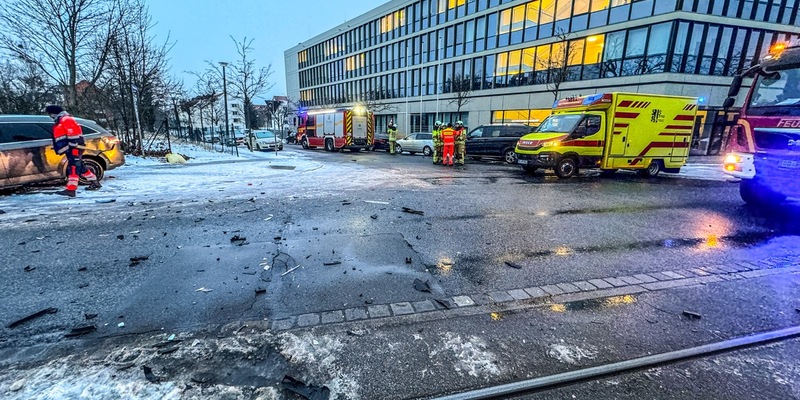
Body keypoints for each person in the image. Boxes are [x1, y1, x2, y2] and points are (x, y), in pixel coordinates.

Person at [46, 105, 101, 197]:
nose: (49, 116)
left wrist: (72, 146)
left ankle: (71, 190)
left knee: (73, 168)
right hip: (72, 148)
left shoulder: (65, 120)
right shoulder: (62, 120)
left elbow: (73, 134)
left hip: (74, 148)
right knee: (79, 167)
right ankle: (95, 182)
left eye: (49, 113)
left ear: (53, 113)